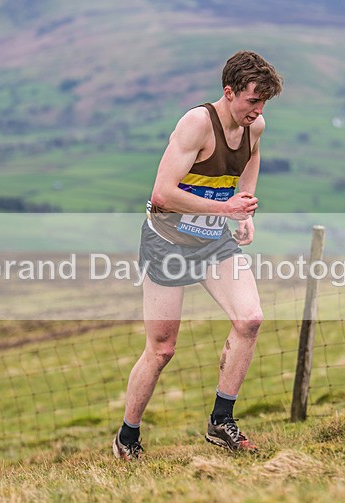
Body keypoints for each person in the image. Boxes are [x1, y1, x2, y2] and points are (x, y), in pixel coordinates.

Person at [113, 50, 283, 460]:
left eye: (263, 103)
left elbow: (252, 157)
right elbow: (162, 194)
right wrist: (226, 209)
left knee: (250, 319)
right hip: (167, 241)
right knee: (162, 349)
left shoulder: (254, 126)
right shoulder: (196, 124)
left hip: (213, 241)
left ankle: (220, 421)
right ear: (229, 92)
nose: (258, 110)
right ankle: (127, 437)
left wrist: (244, 206)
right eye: (252, 101)